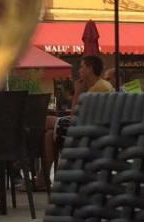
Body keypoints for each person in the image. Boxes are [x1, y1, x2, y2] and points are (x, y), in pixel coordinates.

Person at [39, 56, 113, 188]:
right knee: (48, 135)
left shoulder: (98, 88)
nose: (79, 70)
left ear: (90, 69)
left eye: (82, 67)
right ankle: (42, 178)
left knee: (45, 121)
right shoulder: (99, 86)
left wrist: (77, 92)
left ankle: (25, 160)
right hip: (92, 129)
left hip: (88, 132)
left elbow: (75, 117)